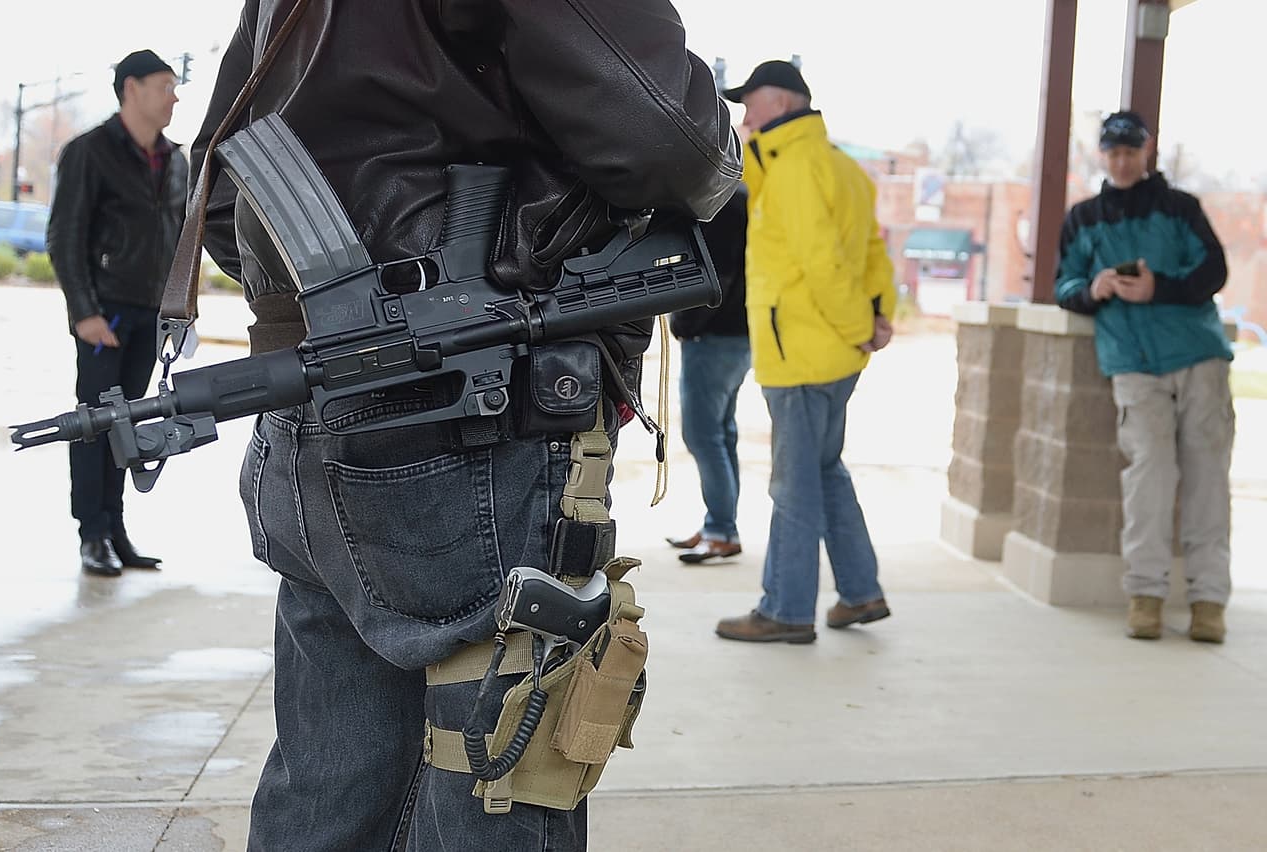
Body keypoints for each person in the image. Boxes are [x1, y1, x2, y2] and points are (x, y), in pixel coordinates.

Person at [192, 3, 740, 850]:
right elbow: (673, 142)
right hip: (476, 426)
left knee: (330, 788)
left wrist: (350, 301)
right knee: (497, 776)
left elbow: (224, 186)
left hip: (314, 410)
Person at [712, 60, 896, 645]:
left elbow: (824, 263)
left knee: (793, 485)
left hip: (801, 353)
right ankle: (861, 592)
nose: (744, 114)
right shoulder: (835, 164)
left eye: (751, 102)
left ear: (781, 102)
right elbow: (873, 252)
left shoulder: (794, 169)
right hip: (832, 353)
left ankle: (786, 610)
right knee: (824, 470)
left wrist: (858, 325)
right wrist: (877, 317)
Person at [1055, 110, 1234, 644]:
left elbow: (1214, 271)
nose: (1122, 161)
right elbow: (1064, 285)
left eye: (1131, 152)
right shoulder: (1083, 218)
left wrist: (1161, 287)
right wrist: (1094, 289)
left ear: (1147, 150)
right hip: (1132, 365)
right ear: (1102, 154)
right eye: (1113, 153)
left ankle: (1209, 602)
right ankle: (1145, 596)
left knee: (1207, 481)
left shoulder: (1181, 208)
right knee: (1147, 482)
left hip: (1198, 357)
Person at [47, 50, 187, 578]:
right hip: (105, 315)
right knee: (94, 424)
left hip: (151, 315)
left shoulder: (175, 160)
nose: (174, 97)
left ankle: (117, 528)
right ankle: (92, 533)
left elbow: (180, 240)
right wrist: (84, 312)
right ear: (132, 88)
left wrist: (179, 309)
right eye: (164, 85)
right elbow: (65, 236)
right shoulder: (90, 152)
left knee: (128, 424)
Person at [665, 184, 751, 564]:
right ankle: (721, 526)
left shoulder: (721, 202)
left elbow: (717, 273)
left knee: (702, 435)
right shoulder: (741, 197)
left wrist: (686, 323)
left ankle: (720, 530)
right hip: (738, 333)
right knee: (722, 434)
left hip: (714, 335)